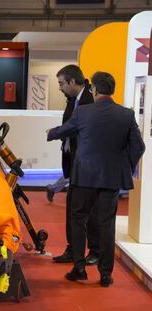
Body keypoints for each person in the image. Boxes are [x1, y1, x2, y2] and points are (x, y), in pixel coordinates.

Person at [47, 71, 145, 287]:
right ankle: (105, 274)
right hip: (110, 179)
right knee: (106, 225)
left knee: (78, 220)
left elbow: (65, 130)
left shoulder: (83, 112)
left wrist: (51, 132)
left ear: (95, 90)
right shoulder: (126, 115)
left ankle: (79, 268)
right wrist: (123, 165)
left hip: (84, 177)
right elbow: (139, 147)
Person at [51, 65, 100, 265]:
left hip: (89, 168)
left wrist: (56, 132)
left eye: (62, 83)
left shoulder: (90, 101)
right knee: (73, 208)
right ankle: (73, 249)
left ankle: (95, 251)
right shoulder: (73, 100)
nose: (60, 87)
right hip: (73, 164)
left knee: (90, 211)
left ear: (72, 82)